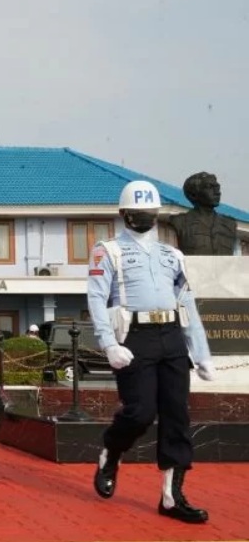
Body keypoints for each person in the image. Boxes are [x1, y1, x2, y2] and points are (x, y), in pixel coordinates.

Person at [89, 180, 214, 524]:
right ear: (124, 214)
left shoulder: (171, 254)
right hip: (134, 336)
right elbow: (97, 300)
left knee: (177, 415)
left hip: (171, 334)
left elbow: (186, 302)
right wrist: (109, 344)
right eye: (137, 213)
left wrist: (200, 352)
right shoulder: (107, 250)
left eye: (149, 213)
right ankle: (112, 452)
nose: (144, 218)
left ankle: (171, 498)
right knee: (140, 412)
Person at [167, 172, 239, 256]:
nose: (217, 192)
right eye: (209, 187)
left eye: (217, 187)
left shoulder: (229, 224)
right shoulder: (180, 222)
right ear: (193, 195)